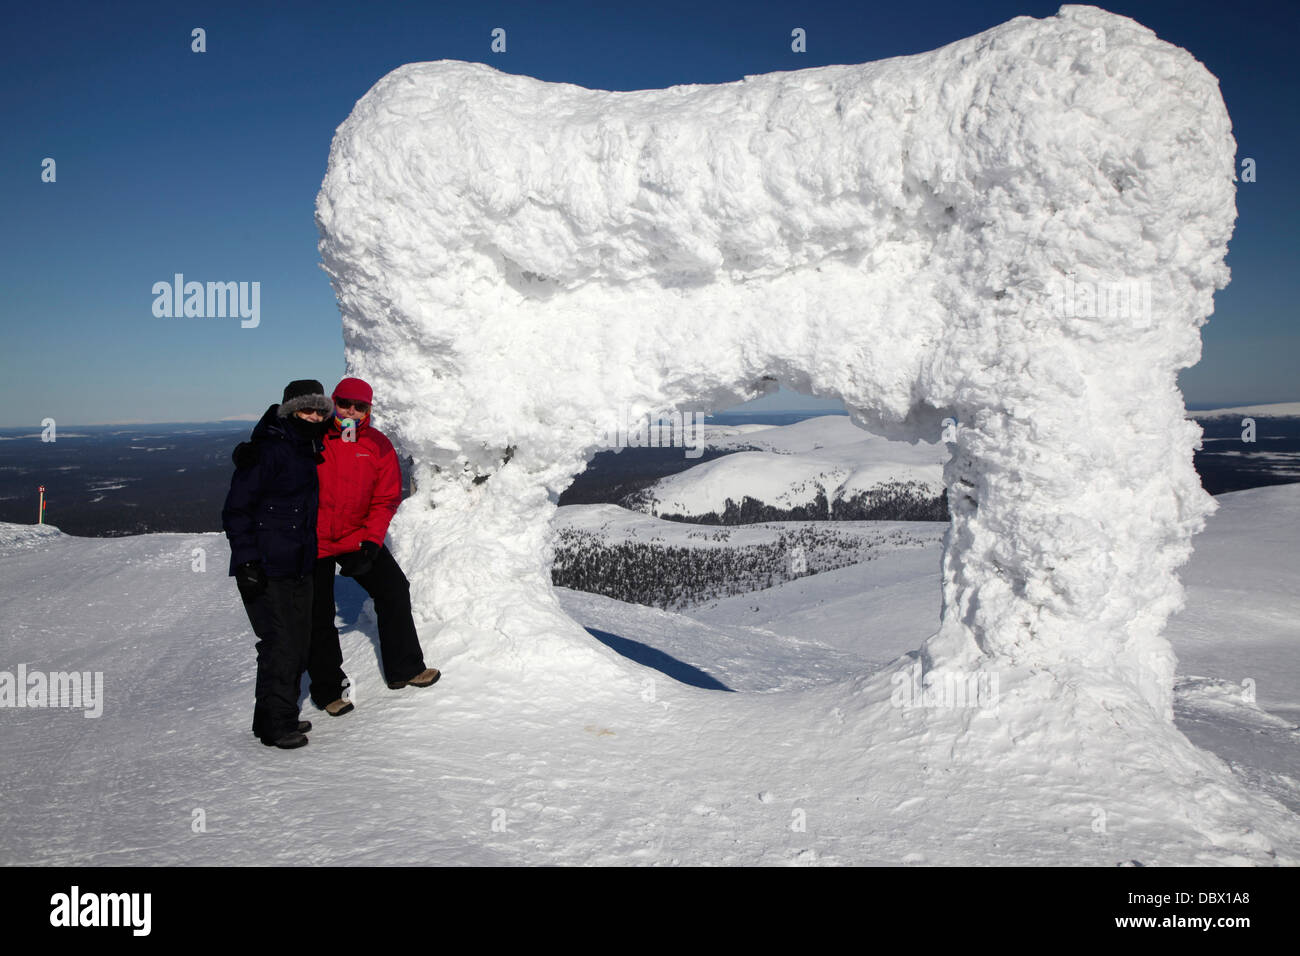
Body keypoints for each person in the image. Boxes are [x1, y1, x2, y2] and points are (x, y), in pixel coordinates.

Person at [307, 376, 439, 716]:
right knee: (317, 613)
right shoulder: (313, 436)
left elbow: (385, 499)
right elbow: (277, 437)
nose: (351, 411)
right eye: (345, 403)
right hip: (314, 539)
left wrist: (370, 543)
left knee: (394, 589)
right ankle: (327, 691)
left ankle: (405, 669)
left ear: (369, 409)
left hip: (355, 536)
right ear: (332, 402)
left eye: (360, 406)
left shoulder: (377, 446)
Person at [222, 380, 333, 749]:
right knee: (280, 644)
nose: (314, 417)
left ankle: (276, 715)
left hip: (298, 562)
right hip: (266, 565)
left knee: (297, 643)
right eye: (306, 410)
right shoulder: (269, 450)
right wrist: (248, 561)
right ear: (289, 410)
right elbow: (236, 510)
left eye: (320, 411)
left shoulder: (306, 445)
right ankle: (275, 727)